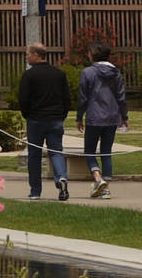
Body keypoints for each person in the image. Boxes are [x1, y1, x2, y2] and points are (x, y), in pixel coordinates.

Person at [16, 43, 71, 200]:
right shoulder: (59, 74)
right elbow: (66, 98)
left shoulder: (29, 75)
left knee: (34, 154)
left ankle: (35, 191)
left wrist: (27, 114)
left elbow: (23, 98)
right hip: (55, 119)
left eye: (28, 54)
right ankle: (61, 178)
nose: (26, 57)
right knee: (56, 151)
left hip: (36, 120)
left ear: (36, 55)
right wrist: (62, 114)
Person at [77, 42, 130, 199]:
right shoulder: (116, 73)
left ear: (93, 55)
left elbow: (83, 97)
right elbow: (121, 96)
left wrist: (79, 117)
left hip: (94, 116)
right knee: (106, 152)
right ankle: (105, 187)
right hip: (112, 116)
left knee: (89, 151)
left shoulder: (88, 72)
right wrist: (124, 116)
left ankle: (98, 178)